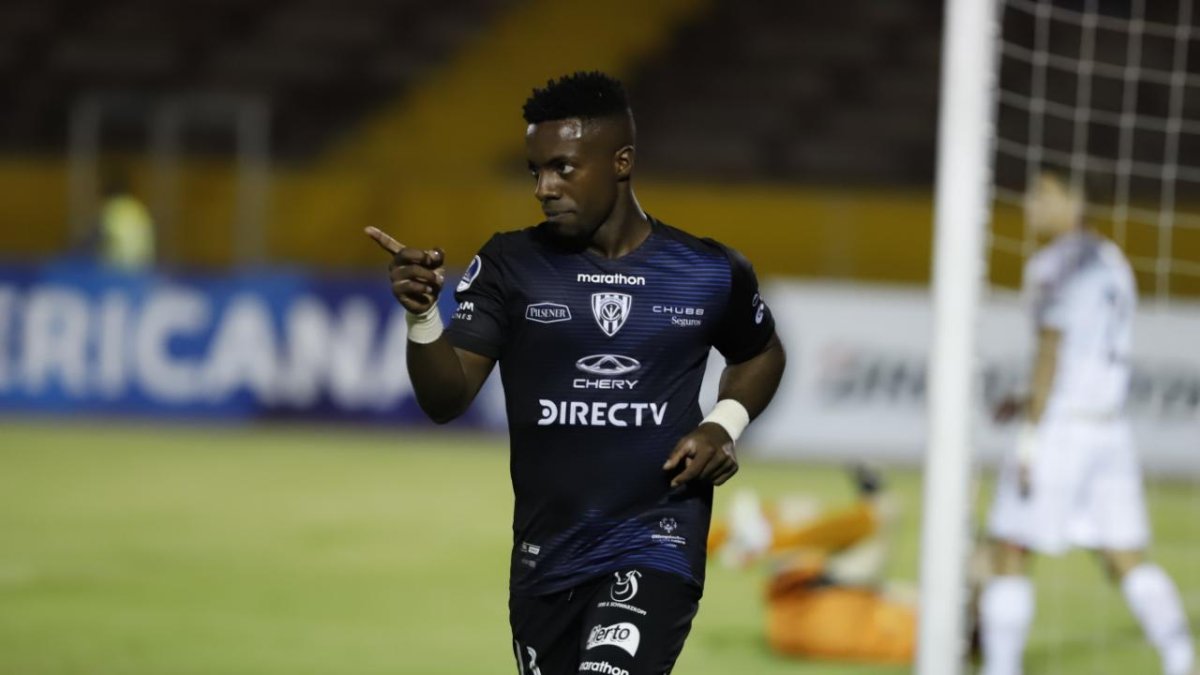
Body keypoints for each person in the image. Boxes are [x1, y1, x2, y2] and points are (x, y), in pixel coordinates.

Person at [365, 71, 786, 674]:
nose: (544, 187)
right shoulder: (511, 265)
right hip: (547, 558)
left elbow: (761, 353)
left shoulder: (705, 270)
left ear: (621, 162)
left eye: (563, 168)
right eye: (535, 170)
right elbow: (445, 397)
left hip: (656, 538)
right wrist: (423, 315)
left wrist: (725, 423)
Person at [980, 173, 1194, 675]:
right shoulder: (1114, 260)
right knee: (1124, 556)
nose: (1030, 204)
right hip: (1110, 429)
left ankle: (1000, 667)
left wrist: (1029, 438)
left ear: (1075, 200)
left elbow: (1051, 352)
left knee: (1010, 549)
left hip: (1061, 430)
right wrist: (1027, 396)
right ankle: (1181, 658)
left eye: (1044, 194)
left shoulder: (1055, 264)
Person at [709, 466, 916, 665]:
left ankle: (761, 537)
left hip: (821, 608)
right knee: (882, 518)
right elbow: (874, 521)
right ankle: (762, 537)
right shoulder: (813, 577)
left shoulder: (788, 607)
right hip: (844, 613)